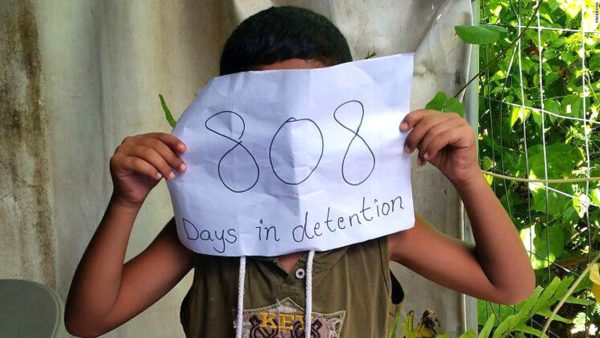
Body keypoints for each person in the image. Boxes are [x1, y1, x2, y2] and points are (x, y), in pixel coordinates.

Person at [65, 6, 535, 338]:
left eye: (312, 104)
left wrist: (468, 177)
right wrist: (126, 201)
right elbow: (89, 319)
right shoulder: (207, 229)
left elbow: (509, 286)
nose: (291, 135)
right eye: (269, 108)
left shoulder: (377, 227)